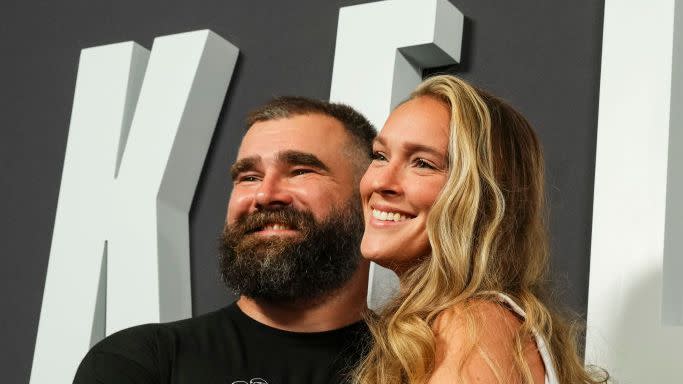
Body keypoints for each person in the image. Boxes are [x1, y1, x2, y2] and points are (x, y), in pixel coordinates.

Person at [73, 96, 376, 384]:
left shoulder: (416, 366)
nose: (265, 195)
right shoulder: (141, 362)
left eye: (300, 171)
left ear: (369, 198)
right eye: (249, 177)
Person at [354, 75, 608, 384]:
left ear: (483, 198)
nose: (381, 182)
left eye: (423, 163)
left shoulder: (471, 326)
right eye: (380, 156)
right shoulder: (462, 324)